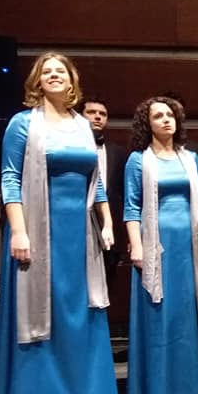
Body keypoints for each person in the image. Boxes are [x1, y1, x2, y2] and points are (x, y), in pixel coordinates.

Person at [0, 52, 119, 394]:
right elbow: (10, 178)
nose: (53, 75)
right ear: (37, 81)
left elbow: (96, 181)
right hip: (37, 230)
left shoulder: (82, 125)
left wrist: (106, 222)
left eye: (59, 71)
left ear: (71, 80)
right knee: (42, 312)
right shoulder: (22, 124)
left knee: (80, 310)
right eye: (45, 71)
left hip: (79, 234)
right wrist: (18, 230)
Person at [124, 96, 198, 394]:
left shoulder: (189, 158)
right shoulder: (138, 160)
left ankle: (188, 383)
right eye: (158, 116)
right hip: (156, 244)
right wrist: (137, 246)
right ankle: (158, 385)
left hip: (187, 246)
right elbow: (131, 207)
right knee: (159, 311)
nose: (166, 120)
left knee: (186, 309)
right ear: (147, 124)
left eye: (170, 115)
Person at [80, 96, 127, 286]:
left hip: (110, 231)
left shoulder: (118, 152)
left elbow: (124, 194)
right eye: (91, 112)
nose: (98, 117)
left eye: (102, 114)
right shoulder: (69, 149)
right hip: (77, 224)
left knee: (108, 286)